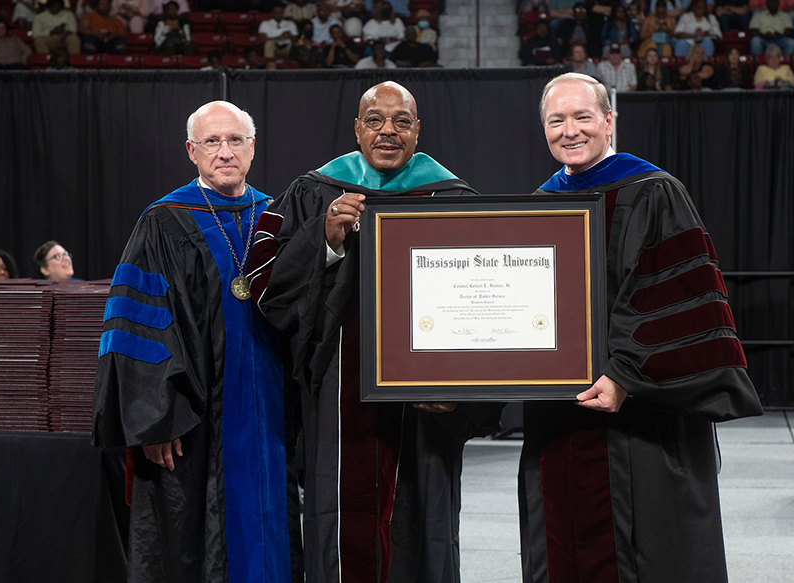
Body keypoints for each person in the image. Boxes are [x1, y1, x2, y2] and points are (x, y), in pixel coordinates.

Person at [246, 81, 502, 583]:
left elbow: (485, 303)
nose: (388, 131)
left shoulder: (450, 197)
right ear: (357, 129)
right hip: (340, 395)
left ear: (418, 131)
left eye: (401, 121)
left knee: (422, 513)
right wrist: (322, 240)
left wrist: (464, 388)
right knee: (341, 514)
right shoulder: (316, 193)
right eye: (376, 120)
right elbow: (262, 283)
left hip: (426, 401)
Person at [521, 71, 763, 583]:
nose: (570, 131)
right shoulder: (541, 202)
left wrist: (626, 374)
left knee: (650, 549)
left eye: (583, 117)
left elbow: (674, 294)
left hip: (642, 417)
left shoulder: (654, 192)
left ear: (609, 121)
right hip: (561, 412)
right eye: (556, 120)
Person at [92, 100, 299, 583]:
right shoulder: (164, 222)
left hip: (268, 408)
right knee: (185, 535)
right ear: (191, 150)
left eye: (235, 141)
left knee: (271, 521)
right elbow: (135, 325)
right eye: (212, 141)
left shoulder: (276, 217)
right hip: (192, 418)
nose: (224, 152)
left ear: (252, 147)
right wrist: (153, 419)